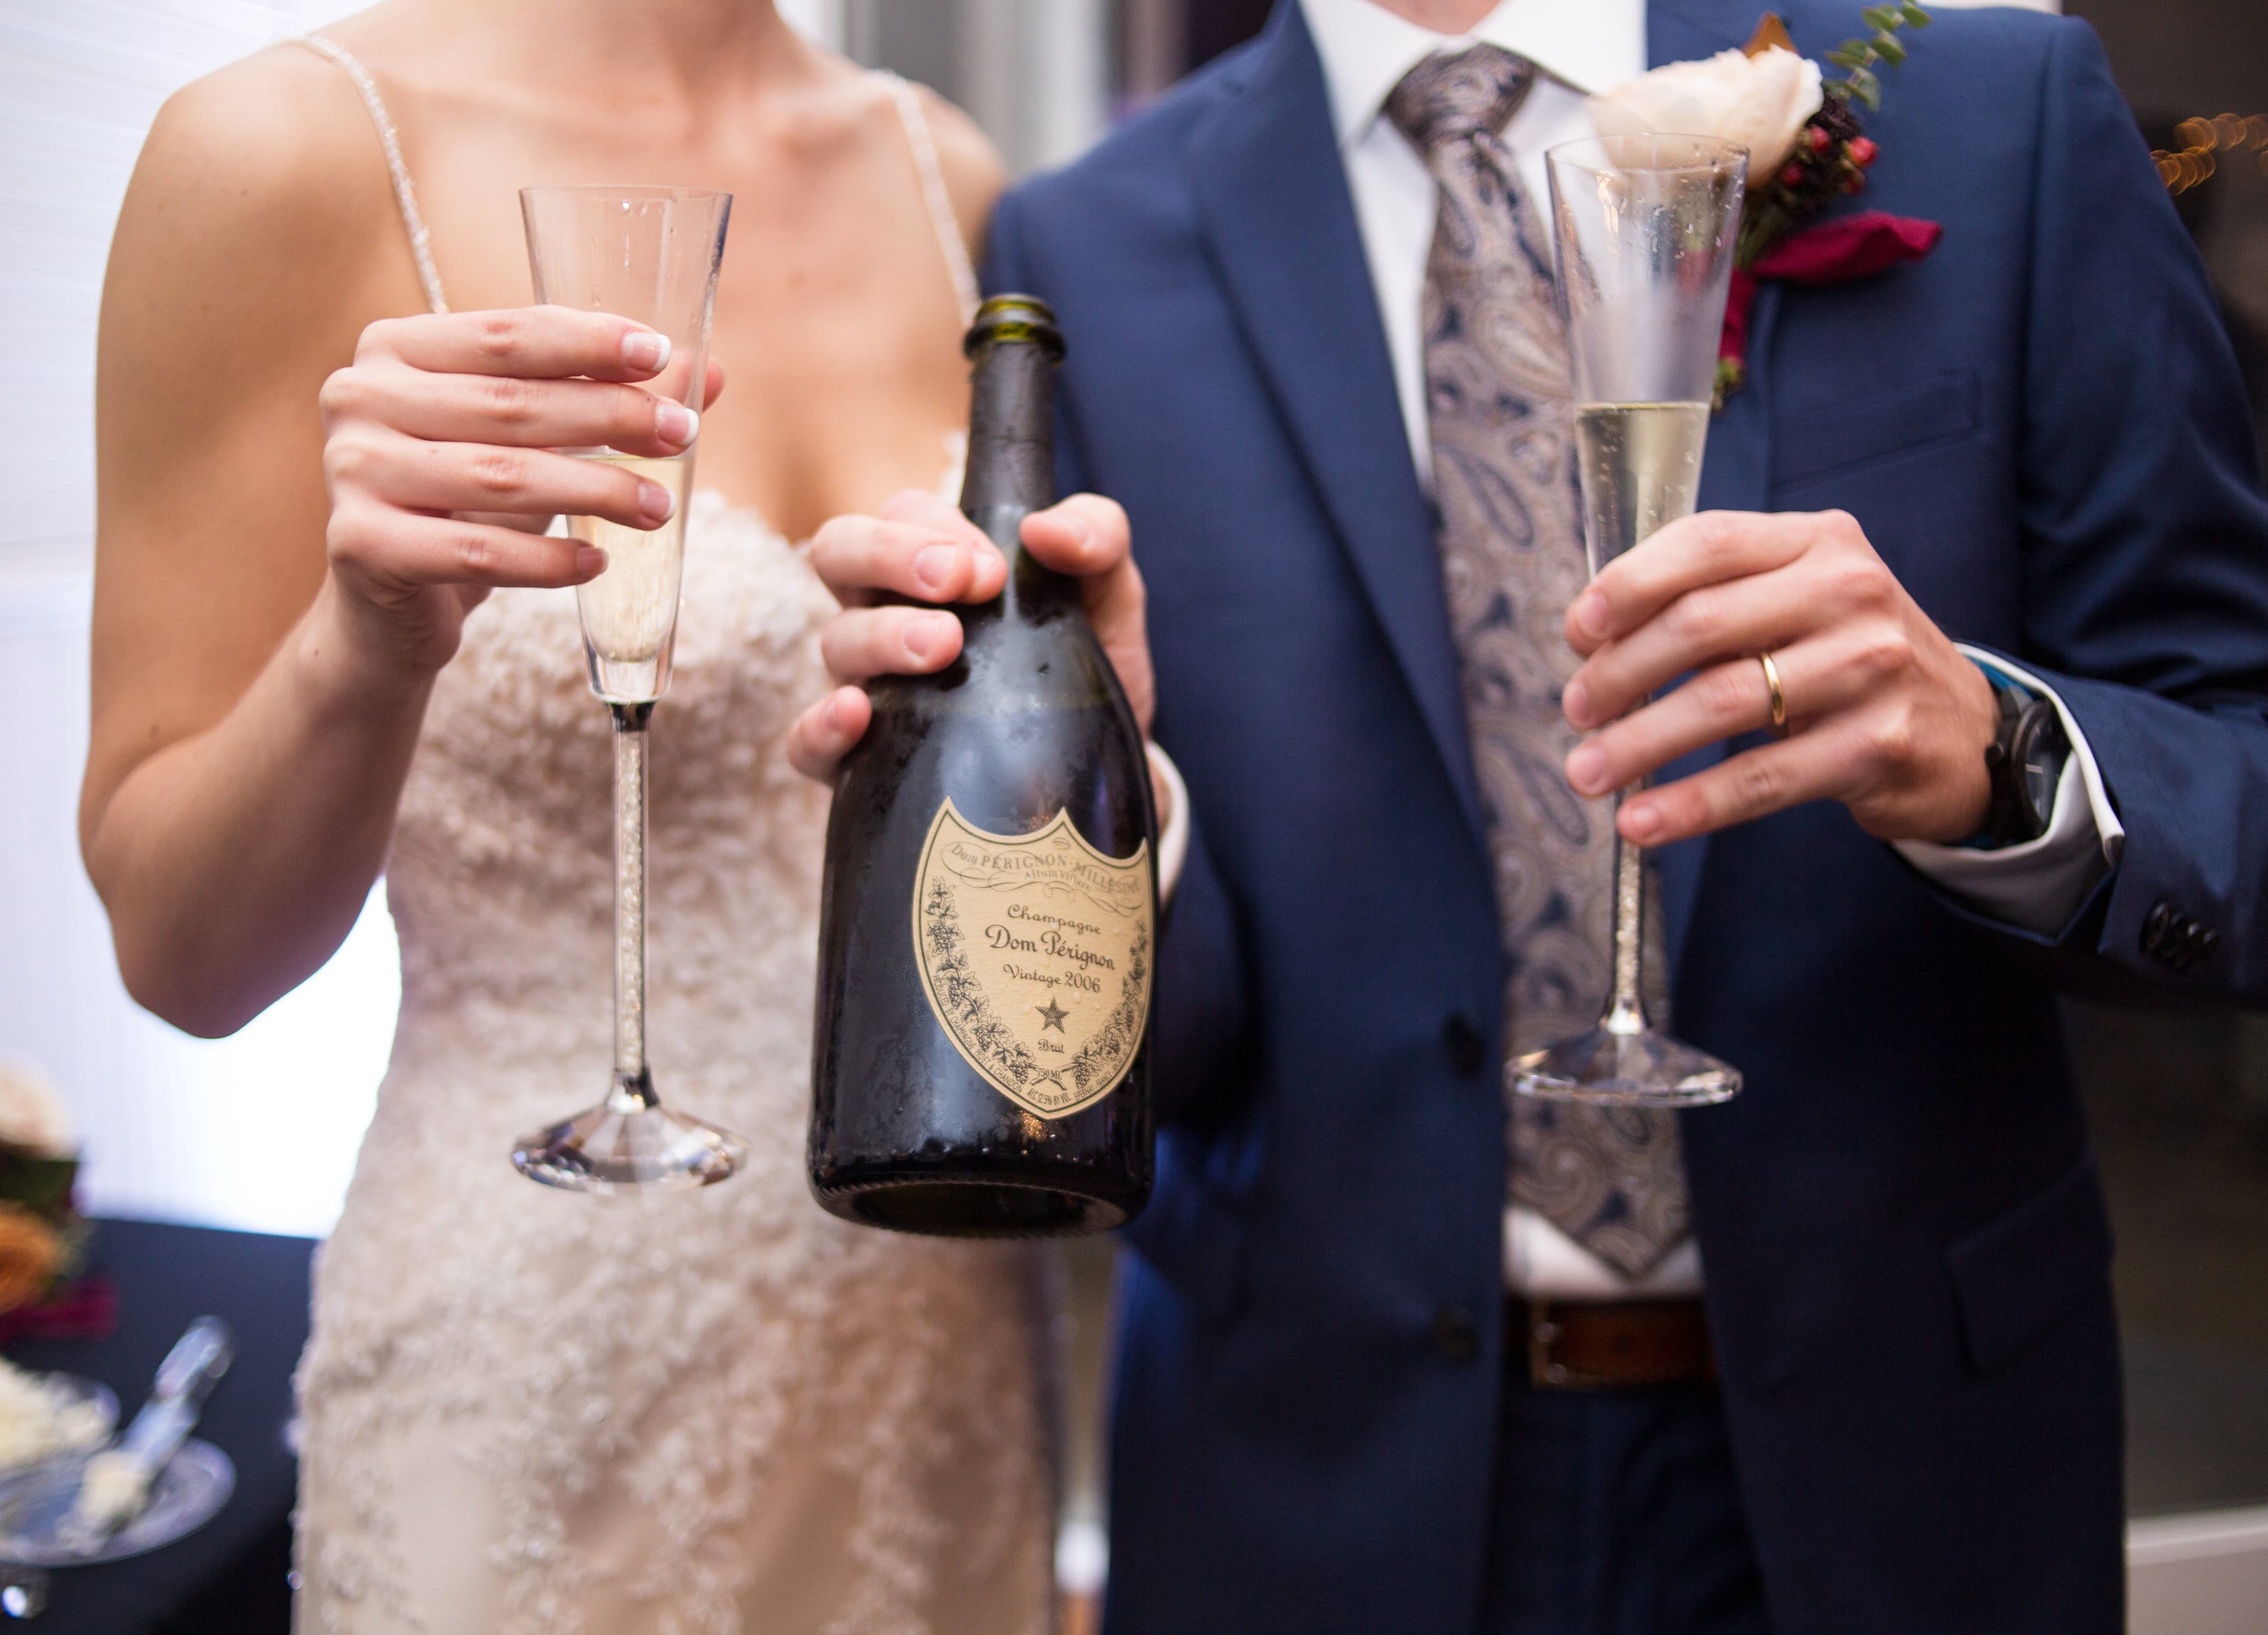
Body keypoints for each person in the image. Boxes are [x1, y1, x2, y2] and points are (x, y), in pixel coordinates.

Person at [790, 0, 2268, 1630]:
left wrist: (2001, 751)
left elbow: (2240, 788)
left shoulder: (1999, 109)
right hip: (1306, 1491)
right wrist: (1108, 794)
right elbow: (1189, 1048)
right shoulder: (1092, 235)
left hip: (1908, 1472)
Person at [81, 3, 1071, 1630]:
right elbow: (180, 958)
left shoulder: (939, 169)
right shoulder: (282, 150)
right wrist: (366, 641)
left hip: (937, 1365)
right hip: (533, 1392)